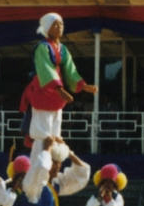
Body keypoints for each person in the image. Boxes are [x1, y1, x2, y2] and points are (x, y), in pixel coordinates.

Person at [20, 13, 96, 145]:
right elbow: (46, 69)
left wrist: (83, 86)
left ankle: (52, 162)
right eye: (55, 24)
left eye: (61, 23)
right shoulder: (42, 47)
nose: (59, 26)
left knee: (55, 135)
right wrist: (60, 90)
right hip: (43, 89)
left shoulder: (63, 49)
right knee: (43, 135)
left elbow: (69, 69)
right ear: (47, 28)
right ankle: (40, 161)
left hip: (56, 92)